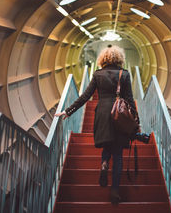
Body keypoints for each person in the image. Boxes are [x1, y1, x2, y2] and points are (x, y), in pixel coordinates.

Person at [55, 46, 139, 204]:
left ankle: (104, 164)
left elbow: (86, 96)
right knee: (118, 154)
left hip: (102, 113)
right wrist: (135, 122)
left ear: (103, 59)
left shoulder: (98, 74)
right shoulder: (125, 74)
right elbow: (129, 99)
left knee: (107, 144)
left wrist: (68, 111)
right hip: (119, 114)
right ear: (119, 59)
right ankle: (115, 191)